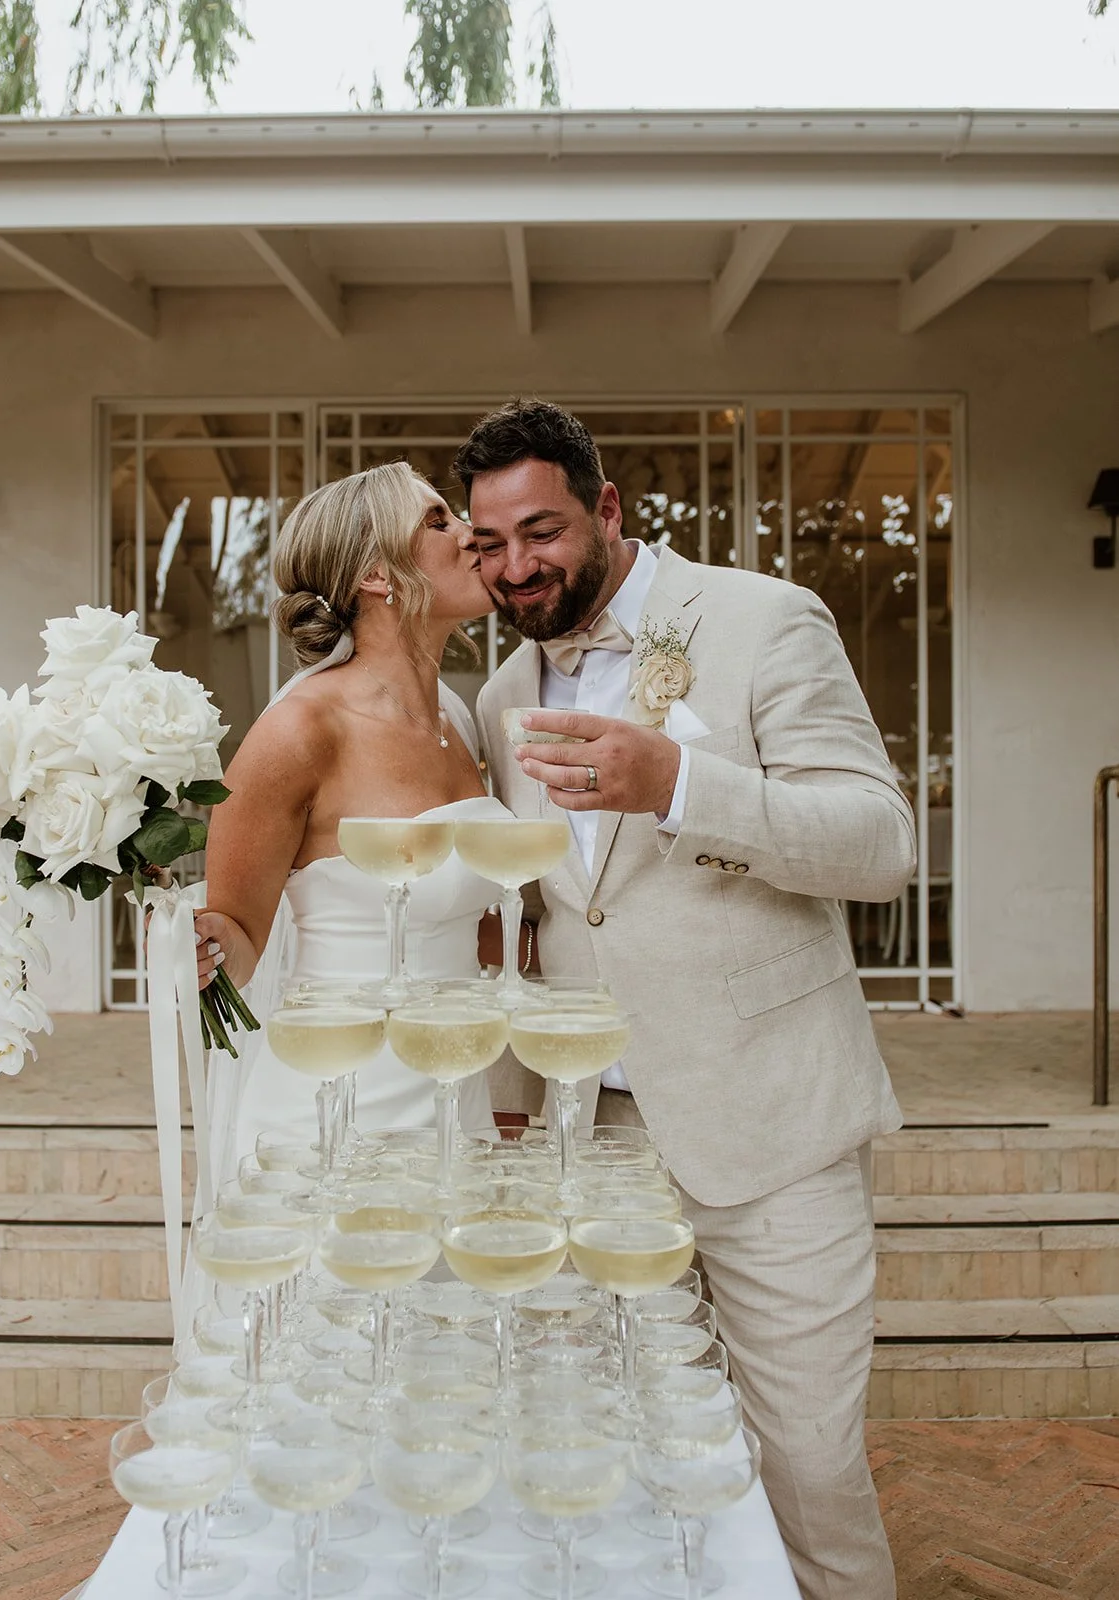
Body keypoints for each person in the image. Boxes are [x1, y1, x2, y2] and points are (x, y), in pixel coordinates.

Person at [457, 398, 915, 1600]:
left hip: (770, 1129)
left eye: (541, 532)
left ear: (606, 509)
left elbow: (876, 845)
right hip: (596, 1148)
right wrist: (511, 1114)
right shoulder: (504, 692)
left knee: (807, 1469)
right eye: (489, 545)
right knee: (637, 1469)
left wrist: (679, 783)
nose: (516, 567)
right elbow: (540, 915)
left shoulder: (765, 619)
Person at [191, 461, 507, 1173]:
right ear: (374, 573)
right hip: (337, 1109)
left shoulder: (456, 717)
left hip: (456, 1095)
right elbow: (236, 941)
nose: (471, 533)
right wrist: (202, 944)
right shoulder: (300, 730)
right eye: (437, 521)